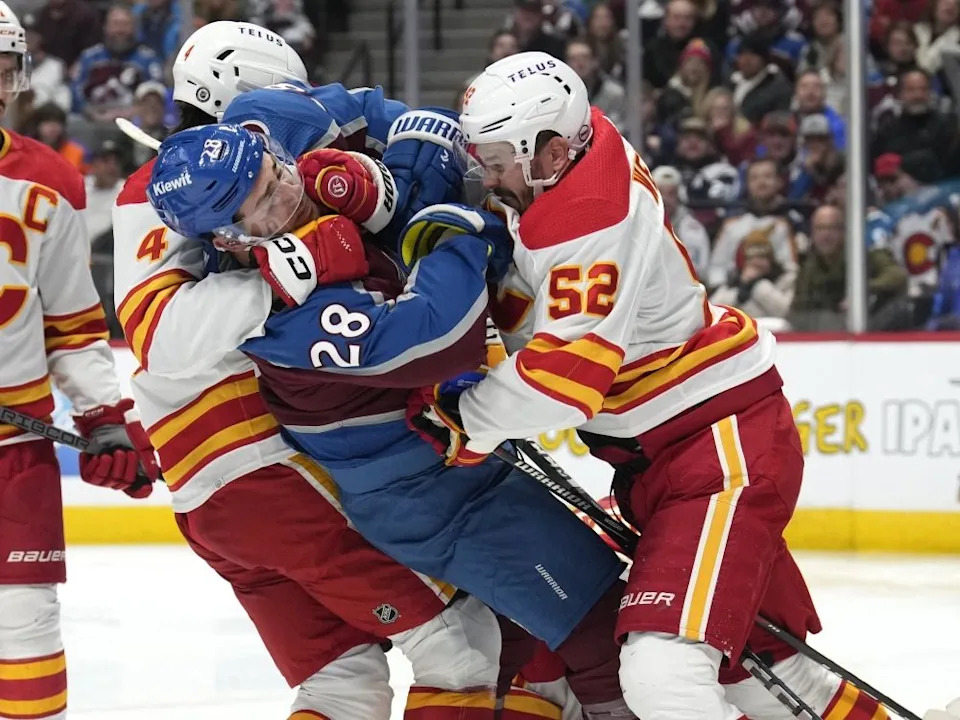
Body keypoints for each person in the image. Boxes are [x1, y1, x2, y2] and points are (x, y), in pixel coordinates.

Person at [427, 50, 892, 719]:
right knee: (762, 674)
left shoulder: (590, 216)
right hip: (673, 454)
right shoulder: (571, 157)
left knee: (662, 674)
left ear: (554, 152)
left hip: (716, 452)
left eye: (499, 157)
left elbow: (566, 381)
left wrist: (469, 417)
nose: (486, 172)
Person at [147, 117, 635, 720]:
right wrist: (455, 241)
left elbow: (336, 123)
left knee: (525, 651)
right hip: (428, 498)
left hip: (452, 466)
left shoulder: (315, 204)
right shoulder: (279, 317)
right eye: (265, 206)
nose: (287, 196)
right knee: (597, 625)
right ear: (227, 240)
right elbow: (437, 338)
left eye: (278, 174)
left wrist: (407, 155)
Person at [112, 21, 510, 720]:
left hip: (219, 499)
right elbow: (165, 338)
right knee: (463, 648)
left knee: (342, 680)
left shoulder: (249, 172)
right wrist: (285, 274)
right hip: (267, 477)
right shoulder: (167, 188)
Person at [0, 6, 159, 719]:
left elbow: (71, 321)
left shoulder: (50, 183)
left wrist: (103, 414)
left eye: (1, 68)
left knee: (26, 634)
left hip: (16, 448)